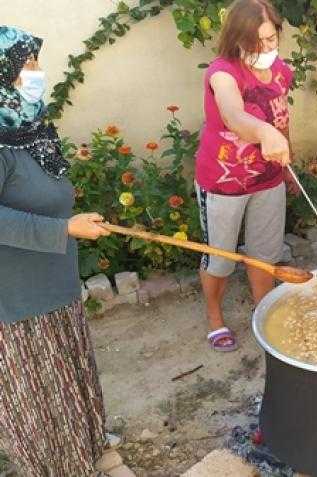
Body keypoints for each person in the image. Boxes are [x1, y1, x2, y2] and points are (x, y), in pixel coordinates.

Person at [0, 26, 134, 477]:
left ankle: (89, 449)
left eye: (36, 62)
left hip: (54, 279)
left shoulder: (29, 128)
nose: (37, 73)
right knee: (40, 393)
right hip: (15, 300)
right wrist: (62, 229)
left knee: (69, 374)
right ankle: (59, 467)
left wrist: (73, 223)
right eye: (26, 65)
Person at [195, 0, 296, 352]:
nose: (267, 49)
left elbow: (282, 117)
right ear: (238, 38)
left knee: (263, 253)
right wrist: (264, 133)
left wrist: (288, 160)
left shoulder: (281, 71)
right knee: (219, 257)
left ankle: (263, 311)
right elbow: (234, 114)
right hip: (223, 183)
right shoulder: (223, 72)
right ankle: (214, 317)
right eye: (258, 42)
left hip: (268, 179)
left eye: (272, 39)